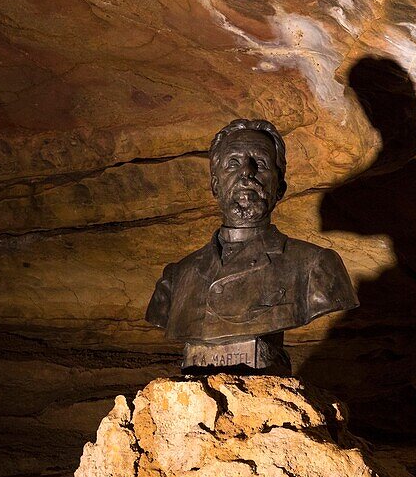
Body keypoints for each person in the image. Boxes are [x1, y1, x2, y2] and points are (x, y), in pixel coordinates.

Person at [146, 118, 357, 371]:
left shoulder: (316, 266)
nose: (246, 172)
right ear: (215, 185)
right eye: (233, 163)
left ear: (279, 188)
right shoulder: (176, 279)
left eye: (261, 164)